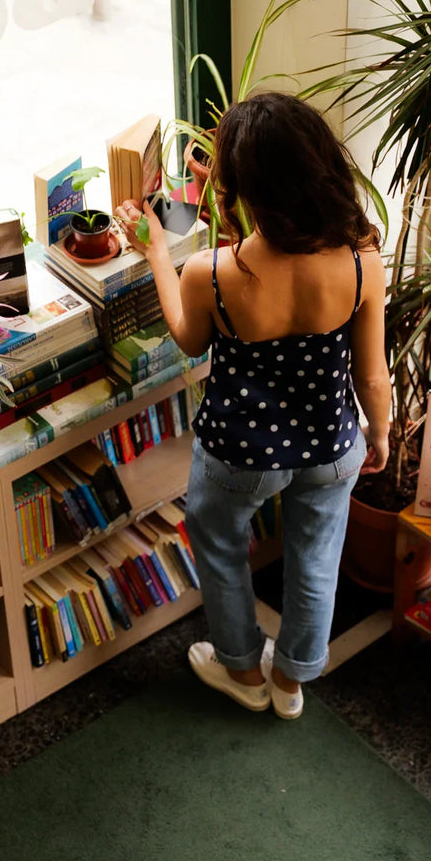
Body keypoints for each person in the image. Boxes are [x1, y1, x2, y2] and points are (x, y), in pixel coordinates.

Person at [116, 91, 390, 720]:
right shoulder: (361, 259)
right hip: (330, 445)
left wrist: (157, 251)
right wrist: (377, 434)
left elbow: (189, 339)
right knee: (317, 558)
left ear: (244, 190)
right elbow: (372, 375)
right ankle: (291, 682)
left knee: (219, 544)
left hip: (239, 452)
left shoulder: (209, 273)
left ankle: (241, 669)